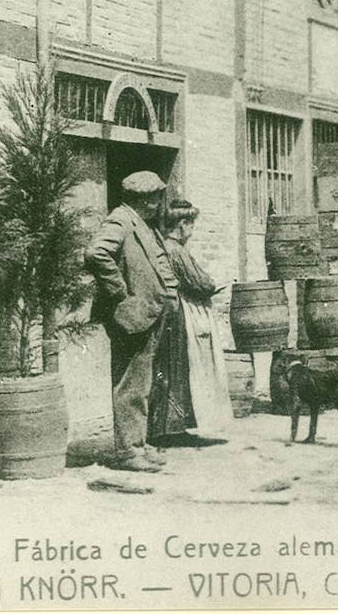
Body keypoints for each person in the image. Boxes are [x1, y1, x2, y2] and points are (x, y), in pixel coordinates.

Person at [84, 171, 190, 471]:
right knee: (131, 385)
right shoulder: (120, 219)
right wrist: (120, 291)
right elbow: (96, 253)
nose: (159, 203)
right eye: (156, 197)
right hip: (134, 314)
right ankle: (128, 452)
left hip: (152, 313)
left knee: (144, 384)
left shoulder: (140, 222)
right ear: (143, 199)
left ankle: (139, 444)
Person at [163, 199, 233, 435]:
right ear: (183, 224)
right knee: (191, 367)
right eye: (191, 226)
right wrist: (214, 284)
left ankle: (174, 426)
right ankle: (176, 428)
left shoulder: (165, 247)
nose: (192, 232)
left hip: (176, 311)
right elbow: (199, 283)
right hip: (187, 312)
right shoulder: (176, 251)